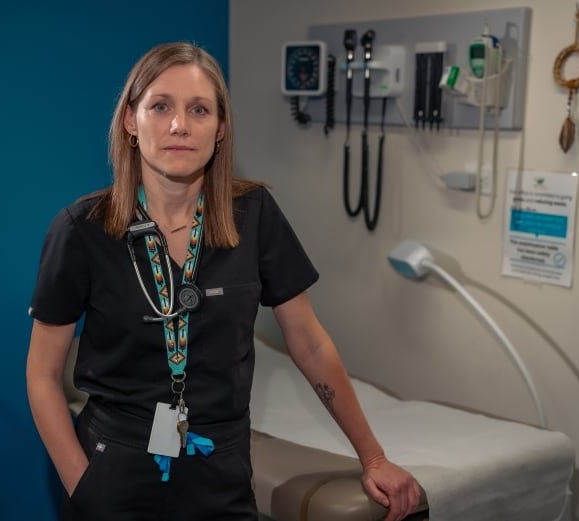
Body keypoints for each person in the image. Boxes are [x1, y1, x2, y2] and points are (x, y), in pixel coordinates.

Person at [25, 41, 420, 521]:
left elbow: (309, 343)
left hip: (221, 468)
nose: (179, 125)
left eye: (199, 110)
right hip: (115, 466)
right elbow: (43, 375)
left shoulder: (253, 215)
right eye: (160, 106)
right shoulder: (82, 229)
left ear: (220, 128)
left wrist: (373, 457)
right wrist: (83, 487)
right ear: (131, 121)